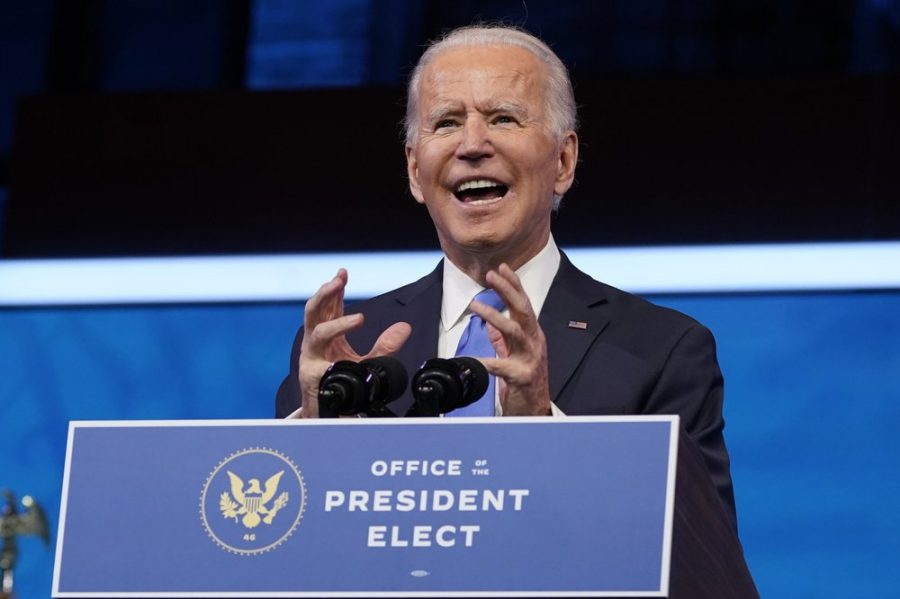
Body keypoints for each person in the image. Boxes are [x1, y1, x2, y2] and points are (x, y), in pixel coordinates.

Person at [276, 25, 736, 525]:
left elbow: (698, 556)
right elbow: (281, 550)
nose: (473, 144)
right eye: (447, 122)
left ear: (563, 160)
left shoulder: (662, 351)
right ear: (414, 171)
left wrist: (540, 428)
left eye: (503, 118)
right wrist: (316, 442)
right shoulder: (343, 353)